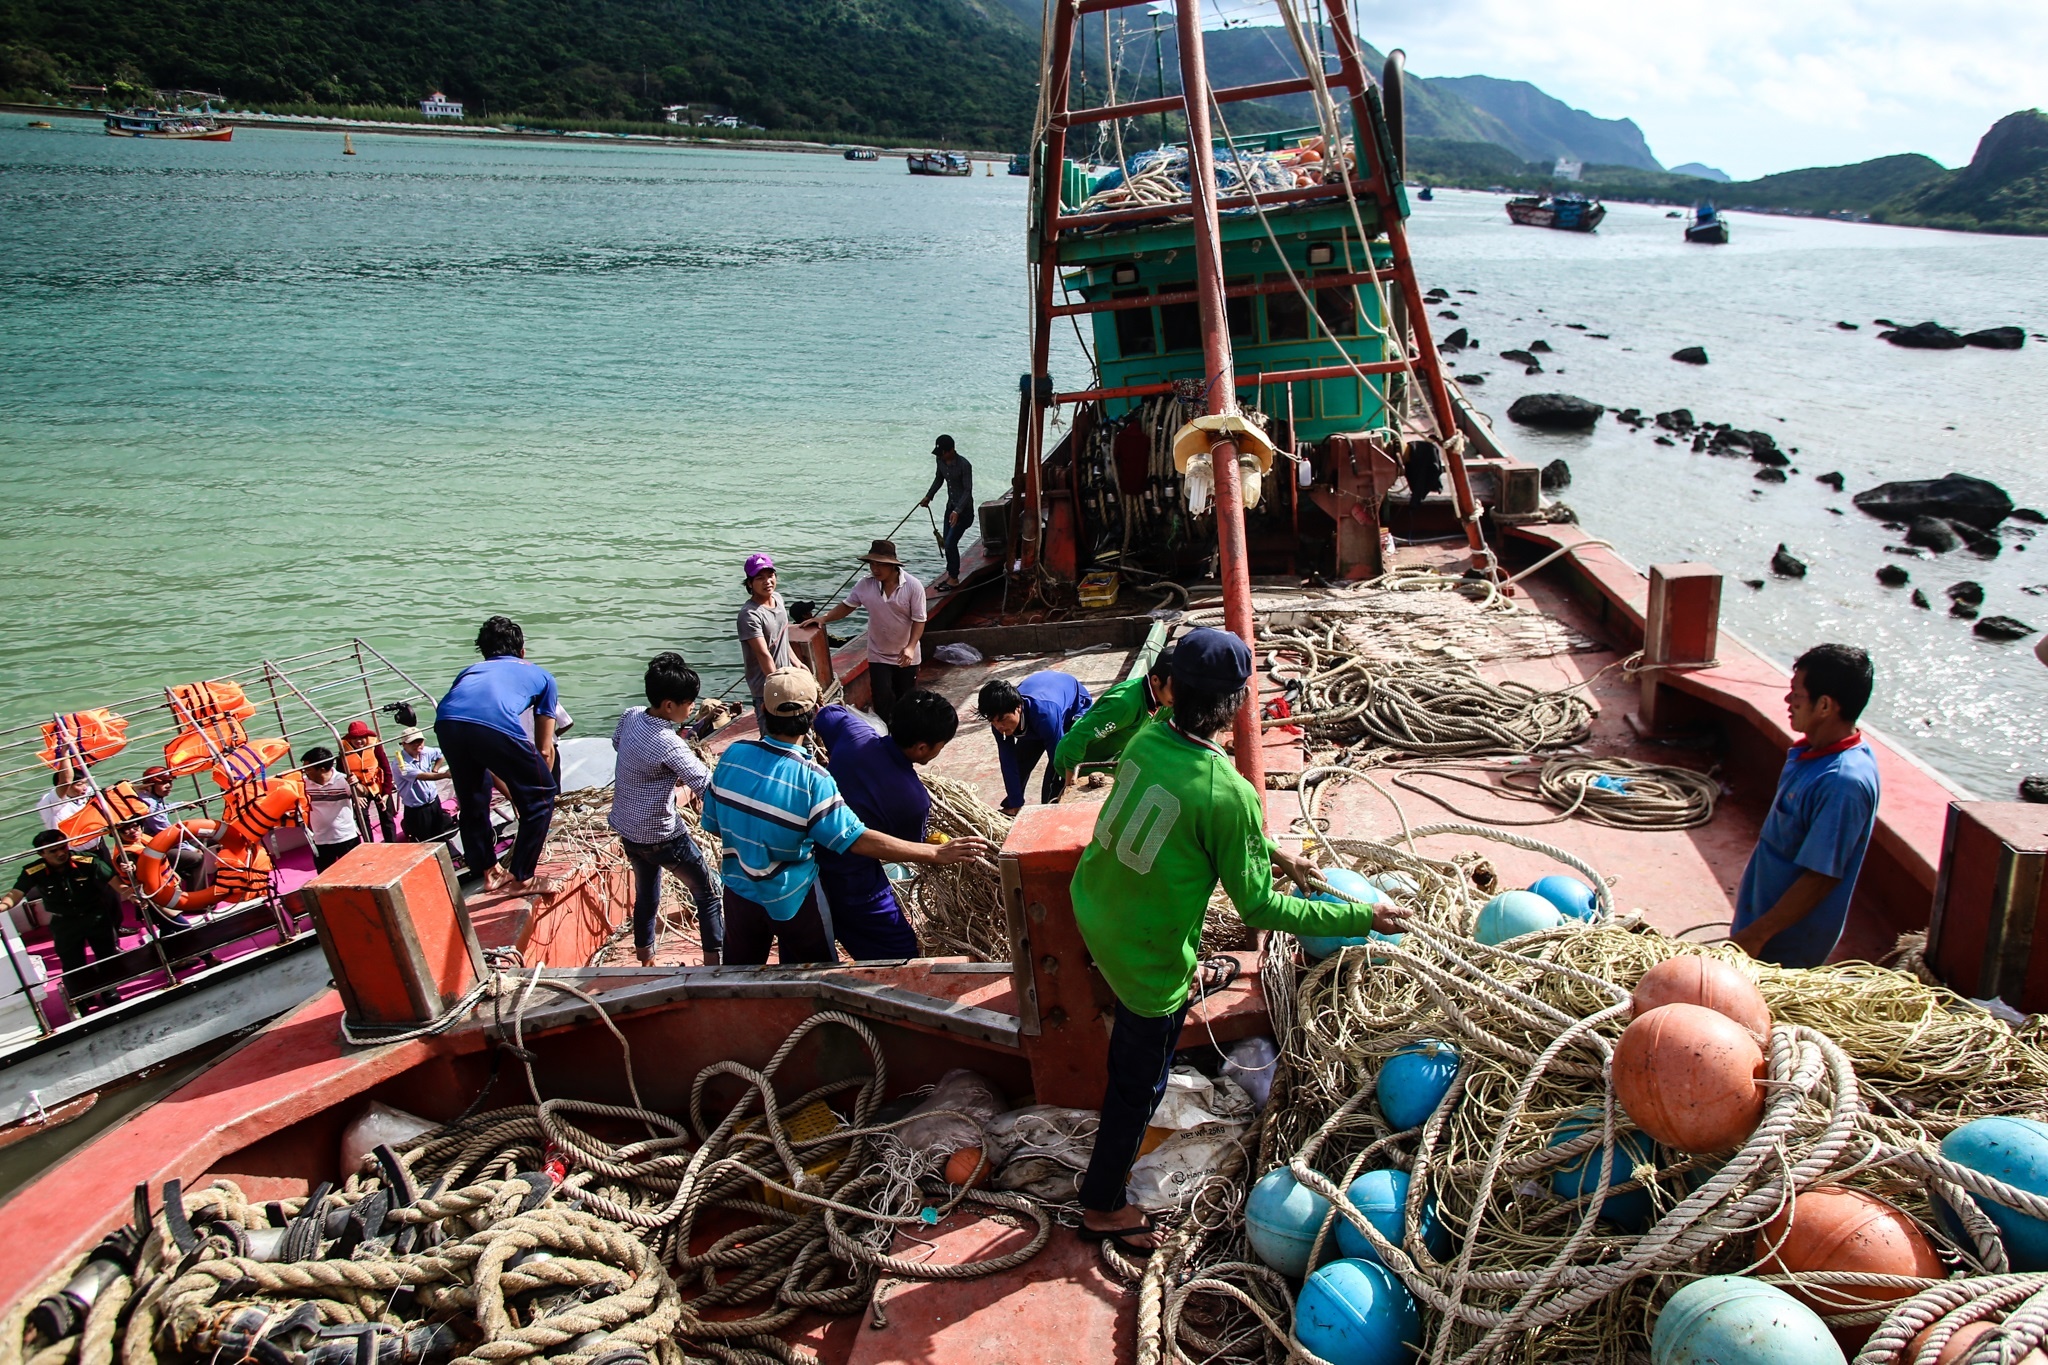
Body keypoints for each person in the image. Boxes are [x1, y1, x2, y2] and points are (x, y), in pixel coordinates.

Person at [1066, 628, 1397, 1253]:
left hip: (1094, 908)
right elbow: (1260, 906)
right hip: (1146, 962)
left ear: (1172, 690)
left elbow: (1197, 820)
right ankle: (1101, 1206)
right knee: (1138, 1087)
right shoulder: (1229, 792)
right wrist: (1363, 916)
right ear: (1236, 703)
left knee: (1139, 1048)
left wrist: (1279, 854)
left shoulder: (1147, 738)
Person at [701, 667, 992, 965]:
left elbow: (713, 824)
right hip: (812, 894)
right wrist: (935, 851)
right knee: (885, 958)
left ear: (762, 709)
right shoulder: (818, 780)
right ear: (922, 746)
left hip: (741, 891)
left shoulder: (735, 754)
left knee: (743, 969)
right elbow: (858, 840)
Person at [1728, 644, 1882, 968]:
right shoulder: (1813, 754)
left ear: (1824, 705)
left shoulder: (1843, 783)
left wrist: (1757, 935)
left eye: (1796, 694)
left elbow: (1820, 878)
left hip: (1781, 946)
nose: (1788, 701)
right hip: (1757, 928)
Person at [812, 690, 959, 960]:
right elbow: (911, 846)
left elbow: (827, 714)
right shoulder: (913, 800)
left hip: (807, 870)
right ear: (922, 748)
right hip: (851, 883)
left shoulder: (853, 733)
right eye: (941, 745)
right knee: (901, 954)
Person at [609, 653, 725, 966]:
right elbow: (705, 784)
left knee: (647, 894)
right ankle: (716, 965)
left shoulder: (631, 715)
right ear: (669, 706)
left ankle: (645, 959)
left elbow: (618, 744)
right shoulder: (668, 742)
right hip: (663, 836)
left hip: (628, 830)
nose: (692, 708)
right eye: (689, 703)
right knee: (709, 892)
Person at [435, 616, 562, 894]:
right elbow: (544, 749)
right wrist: (538, 788)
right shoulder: (542, 676)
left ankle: (490, 872)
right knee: (542, 799)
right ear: (522, 652)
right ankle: (523, 878)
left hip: (447, 723)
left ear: (484, 652)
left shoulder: (470, 671)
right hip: (492, 724)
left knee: (472, 800)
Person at [0, 830, 128, 1011]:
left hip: (95, 916)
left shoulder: (88, 861)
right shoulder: (33, 871)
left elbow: (115, 883)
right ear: (41, 854)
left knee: (106, 954)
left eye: (63, 847)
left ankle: (109, 990)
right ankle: (86, 994)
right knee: (72, 962)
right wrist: (3, 906)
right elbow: (16, 894)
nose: (61, 853)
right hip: (65, 923)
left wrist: (132, 895)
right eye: (53, 851)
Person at [804, 540, 926, 722]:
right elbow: (847, 606)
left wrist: (910, 646)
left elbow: (919, 620)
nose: (875, 569)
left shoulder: (913, 586)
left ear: (892, 565)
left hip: (906, 655)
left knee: (906, 698)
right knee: (882, 697)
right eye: (872, 564)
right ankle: (885, 735)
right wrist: (824, 618)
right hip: (878, 653)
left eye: (880, 564)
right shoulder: (865, 584)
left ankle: (904, 736)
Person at [1053, 640, 1175, 783]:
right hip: (1073, 767)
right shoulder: (1123, 704)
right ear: (1156, 680)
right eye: (1176, 689)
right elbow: (1077, 737)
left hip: (1107, 763)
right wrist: (1070, 784)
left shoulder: (1164, 699)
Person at [978, 672, 1093, 816]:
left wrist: (1064, 791)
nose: (999, 726)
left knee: (1055, 777)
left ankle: (1052, 809)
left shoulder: (1045, 716)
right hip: (1037, 713)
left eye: (1003, 720)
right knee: (1020, 763)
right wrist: (1016, 804)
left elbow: (1059, 761)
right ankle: (1013, 806)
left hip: (1074, 708)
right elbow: (1008, 761)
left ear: (1018, 707)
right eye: (993, 721)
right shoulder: (999, 723)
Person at [738, 553, 795, 716]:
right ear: (750, 583)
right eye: (760, 578)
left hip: (787, 677)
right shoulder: (749, 614)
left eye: (770, 575)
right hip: (767, 686)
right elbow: (763, 654)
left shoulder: (778, 599)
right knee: (772, 734)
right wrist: (778, 686)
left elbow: (782, 637)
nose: (767, 581)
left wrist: (797, 664)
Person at [919, 435, 974, 590]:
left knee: (950, 543)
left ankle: (954, 578)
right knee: (947, 545)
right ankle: (951, 575)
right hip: (950, 508)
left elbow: (968, 491)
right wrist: (929, 496)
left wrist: (958, 511)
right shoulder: (940, 461)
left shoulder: (964, 465)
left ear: (951, 450)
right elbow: (939, 479)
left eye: (942, 453)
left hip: (964, 512)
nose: (940, 456)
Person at [300, 747, 362, 871]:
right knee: (324, 875)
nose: (305, 772)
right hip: (320, 840)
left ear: (322, 769)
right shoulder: (303, 784)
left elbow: (364, 794)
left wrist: (357, 784)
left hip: (346, 837)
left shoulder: (343, 780)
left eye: (308, 769)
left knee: (355, 872)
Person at [393, 728, 457, 842]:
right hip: (417, 809)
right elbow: (422, 776)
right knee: (424, 840)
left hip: (434, 802)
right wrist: (445, 775)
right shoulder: (400, 764)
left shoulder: (426, 751)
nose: (417, 744)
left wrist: (436, 769)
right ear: (404, 744)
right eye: (413, 742)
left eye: (420, 741)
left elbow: (440, 754)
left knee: (440, 834)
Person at [341, 721, 400, 843]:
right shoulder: (343, 752)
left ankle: (393, 844)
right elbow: (340, 776)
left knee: (387, 817)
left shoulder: (375, 747)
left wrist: (386, 794)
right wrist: (354, 796)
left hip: (378, 787)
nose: (358, 741)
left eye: (361, 738)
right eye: (354, 738)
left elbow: (387, 770)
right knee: (362, 817)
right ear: (349, 739)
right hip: (359, 791)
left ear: (367, 737)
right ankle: (370, 845)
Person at [135, 766, 177, 837]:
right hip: (156, 843)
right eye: (163, 783)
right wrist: (192, 848)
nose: (168, 786)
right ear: (150, 785)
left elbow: (163, 809)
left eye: (170, 782)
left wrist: (182, 804)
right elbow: (169, 834)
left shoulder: (145, 795)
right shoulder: (151, 806)